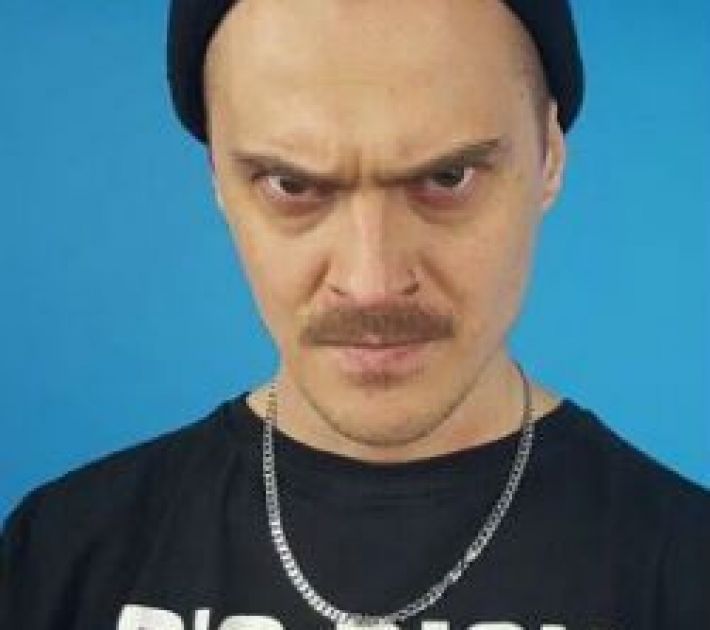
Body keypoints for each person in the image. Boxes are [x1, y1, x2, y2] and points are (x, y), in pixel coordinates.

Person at [1, 0, 708, 627]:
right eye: (291, 184)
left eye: (447, 178)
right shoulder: (61, 556)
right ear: (217, 176)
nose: (371, 284)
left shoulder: (686, 572)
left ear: (549, 155)